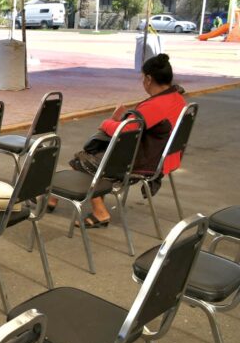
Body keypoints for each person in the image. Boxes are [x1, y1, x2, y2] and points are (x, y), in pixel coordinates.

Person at [49, 53, 186, 228]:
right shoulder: (177, 98)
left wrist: (108, 122)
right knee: (92, 157)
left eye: (143, 77)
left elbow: (125, 131)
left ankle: (97, 211)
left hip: (147, 160)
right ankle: (51, 197)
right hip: (167, 155)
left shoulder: (155, 105)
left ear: (149, 79)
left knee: (84, 160)